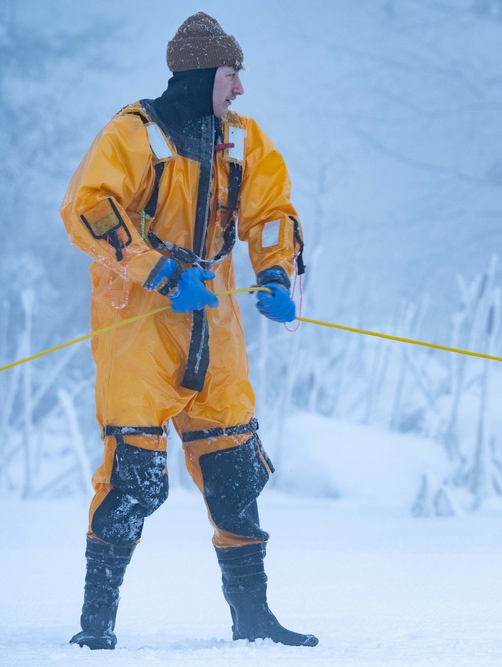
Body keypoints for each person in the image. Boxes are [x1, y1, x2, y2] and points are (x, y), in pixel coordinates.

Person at [59, 12, 316, 650]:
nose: (240, 89)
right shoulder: (132, 134)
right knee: (134, 478)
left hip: (217, 322)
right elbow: (89, 208)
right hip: (138, 323)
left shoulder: (243, 138)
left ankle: (253, 620)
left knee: (235, 470)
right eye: (232, 74)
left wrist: (278, 274)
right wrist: (163, 272)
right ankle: (96, 627)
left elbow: (272, 212)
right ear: (204, 73)